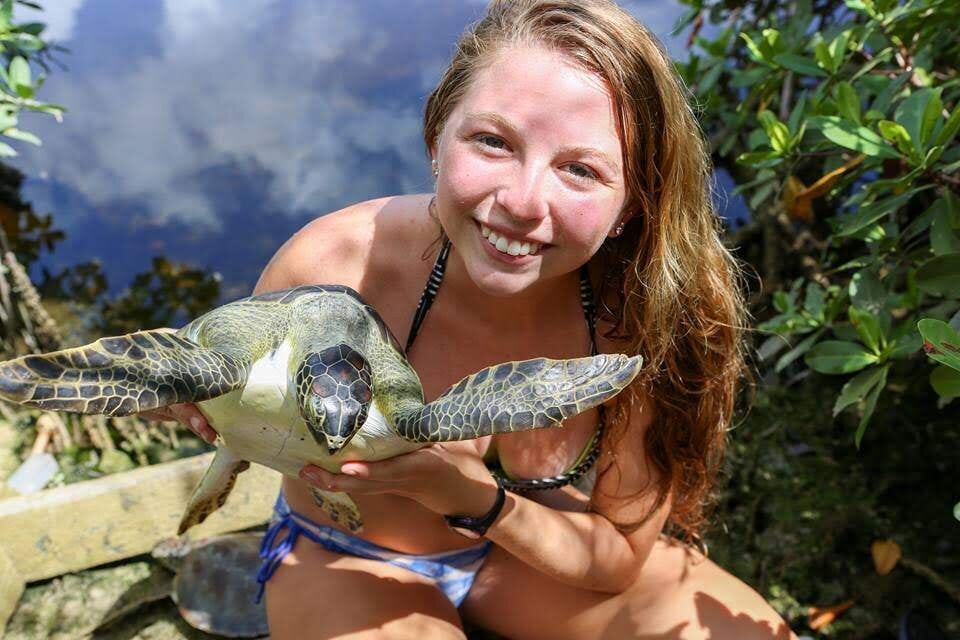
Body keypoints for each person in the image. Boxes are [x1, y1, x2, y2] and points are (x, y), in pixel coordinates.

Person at [163, 1, 797, 637]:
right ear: (437, 138)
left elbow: (615, 559)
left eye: (580, 169)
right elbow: (214, 389)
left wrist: (467, 496)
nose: (522, 203)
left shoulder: (644, 312)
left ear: (634, 200)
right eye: (493, 142)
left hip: (521, 548)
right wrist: (177, 394)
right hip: (344, 553)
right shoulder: (331, 266)